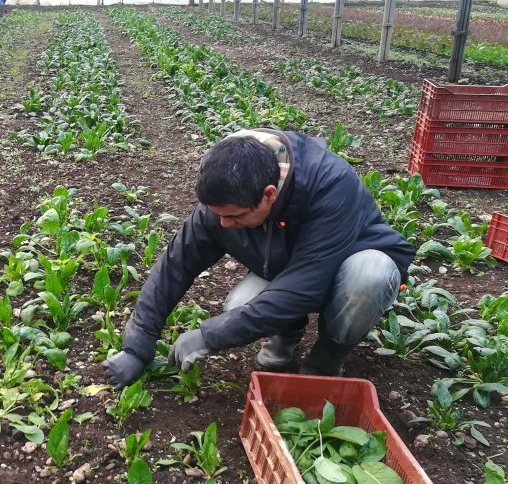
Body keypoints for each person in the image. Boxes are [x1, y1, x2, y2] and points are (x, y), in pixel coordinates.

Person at [102, 128, 414, 388]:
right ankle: (284, 340)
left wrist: (207, 335)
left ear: (268, 195)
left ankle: (326, 359)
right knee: (239, 307)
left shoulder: (329, 184)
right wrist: (137, 347)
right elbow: (175, 265)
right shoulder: (227, 192)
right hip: (292, 266)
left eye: (234, 217)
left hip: (350, 264)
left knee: (370, 275)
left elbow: (304, 285)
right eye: (217, 215)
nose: (223, 224)